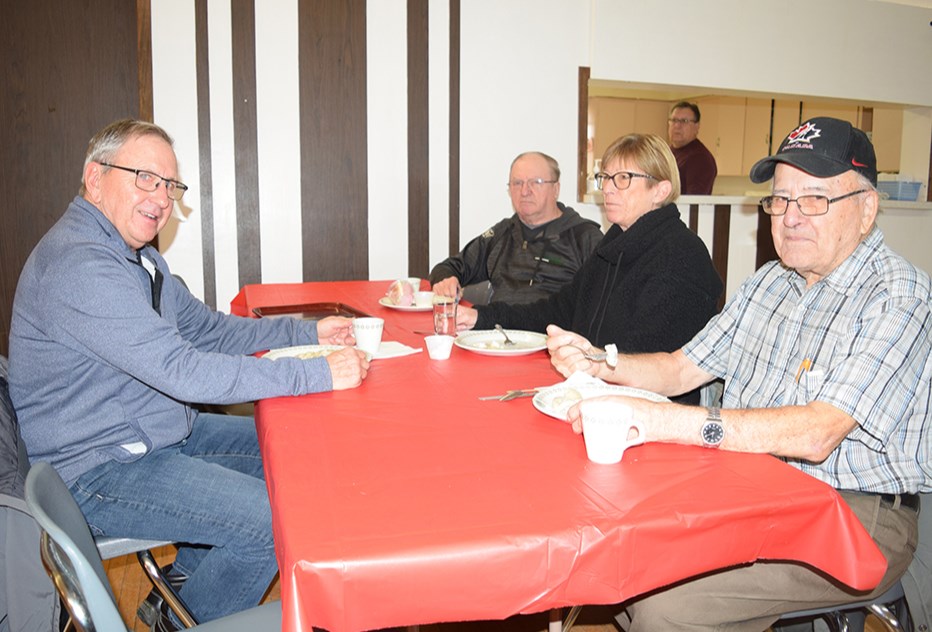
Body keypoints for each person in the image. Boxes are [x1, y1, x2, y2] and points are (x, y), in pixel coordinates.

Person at [549, 117, 930, 631]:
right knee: (619, 550)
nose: (791, 217)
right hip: (751, 486)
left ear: (866, 210)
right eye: (780, 200)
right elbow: (680, 367)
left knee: (666, 608)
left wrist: (665, 423)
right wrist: (602, 362)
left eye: (814, 199)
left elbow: (818, 433)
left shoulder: (898, 295)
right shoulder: (769, 283)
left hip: (854, 514)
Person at [8, 118, 370, 630]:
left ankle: (173, 598)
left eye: (170, 185)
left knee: (293, 448)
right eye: (144, 178)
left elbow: (211, 332)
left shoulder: (140, 261)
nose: (161, 197)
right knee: (272, 521)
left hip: (155, 437)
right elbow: (183, 372)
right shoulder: (81, 266)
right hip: (97, 468)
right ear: (95, 178)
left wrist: (308, 337)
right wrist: (316, 376)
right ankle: (181, 622)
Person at [457, 134, 722, 405]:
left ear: (660, 190)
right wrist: (480, 319)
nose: (607, 189)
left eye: (623, 178)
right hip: (594, 391)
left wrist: (591, 362)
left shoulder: (681, 256)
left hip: (648, 415)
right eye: (606, 178)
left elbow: (653, 365)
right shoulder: (616, 241)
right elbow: (558, 310)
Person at [429, 151, 602, 305]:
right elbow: (449, 267)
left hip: (554, 336)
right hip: (497, 335)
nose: (525, 191)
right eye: (517, 183)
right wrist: (446, 280)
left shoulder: (585, 237)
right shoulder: (503, 233)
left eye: (536, 182)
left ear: (555, 189)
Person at [667, 101, 717, 194]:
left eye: (684, 121)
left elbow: (694, 203)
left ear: (696, 127)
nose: (677, 125)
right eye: (674, 120)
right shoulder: (667, 153)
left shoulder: (700, 159)